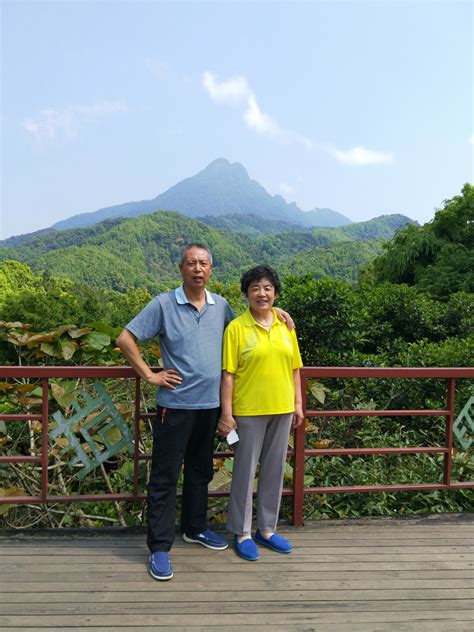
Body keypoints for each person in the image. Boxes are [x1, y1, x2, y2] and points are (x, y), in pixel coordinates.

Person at [116, 245, 293, 581]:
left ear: (211, 270)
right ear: (181, 268)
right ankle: (160, 548)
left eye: (204, 263)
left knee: (200, 472)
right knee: (165, 478)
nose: (198, 269)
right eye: (191, 263)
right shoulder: (164, 304)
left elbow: (248, 324)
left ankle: (194, 528)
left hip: (210, 407)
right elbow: (125, 338)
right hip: (175, 406)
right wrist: (150, 375)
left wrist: (277, 308)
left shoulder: (220, 306)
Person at [218, 265, 304, 561]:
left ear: (275, 293)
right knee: (244, 472)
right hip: (248, 411)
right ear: (246, 294)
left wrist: (298, 405)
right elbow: (228, 375)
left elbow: (295, 368)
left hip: (281, 408)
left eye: (267, 288)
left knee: (274, 470)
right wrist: (226, 415)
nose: (262, 293)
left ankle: (266, 529)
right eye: (255, 288)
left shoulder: (285, 326)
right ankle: (241, 532)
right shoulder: (236, 329)